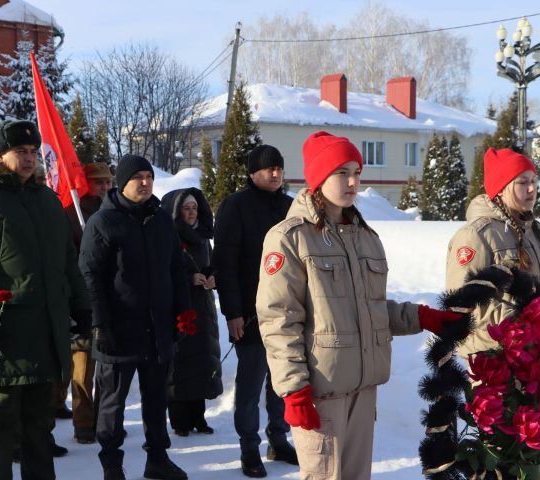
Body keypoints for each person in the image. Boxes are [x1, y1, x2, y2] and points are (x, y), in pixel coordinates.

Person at [255, 131, 461, 480]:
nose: (353, 182)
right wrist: (294, 389)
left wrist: (421, 316)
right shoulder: (290, 237)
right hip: (321, 390)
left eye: (357, 173)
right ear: (319, 177)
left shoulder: (365, 237)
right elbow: (279, 320)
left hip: (363, 389)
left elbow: (372, 308)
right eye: (342, 173)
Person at [0, 120, 92, 480]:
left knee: (40, 426)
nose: (29, 159)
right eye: (19, 152)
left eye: (31, 152)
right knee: (3, 424)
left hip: (45, 328)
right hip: (3, 329)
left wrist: (81, 304)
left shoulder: (46, 199)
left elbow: (66, 259)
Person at [79, 154, 194, 480]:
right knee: (112, 404)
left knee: (157, 399)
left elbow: (176, 268)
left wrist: (183, 312)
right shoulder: (103, 222)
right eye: (137, 177)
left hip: (158, 329)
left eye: (149, 176)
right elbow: (90, 276)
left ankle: (157, 459)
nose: (145, 183)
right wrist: (100, 323)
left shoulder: (160, 220)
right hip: (118, 329)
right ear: (122, 182)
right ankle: (112, 465)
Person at [446, 147, 540, 365]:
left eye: (534, 180)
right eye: (523, 182)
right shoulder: (477, 235)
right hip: (501, 363)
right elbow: (461, 305)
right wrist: (517, 329)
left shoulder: (536, 231)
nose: (532, 188)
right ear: (502, 187)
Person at [212, 145, 297, 478]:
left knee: (282, 381)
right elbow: (225, 264)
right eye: (267, 169)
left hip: (289, 312)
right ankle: (249, 446)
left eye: (278, 168)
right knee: (251, 384)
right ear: (252, 173)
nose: (275, 174)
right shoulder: (235, 207)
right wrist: (232, 312)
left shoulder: (291, 207)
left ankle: (278, 437)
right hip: (250, 313)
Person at [161, 188, 223, 437]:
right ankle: (179, 420)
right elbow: (165, 270)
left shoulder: (202, 236)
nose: (191, 212)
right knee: (181, 363)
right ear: (176, 211)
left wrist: (211, 278)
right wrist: (189, 278)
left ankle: (199, 417)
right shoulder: (169, 237)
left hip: (202, 305)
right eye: (186, 208)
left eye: (194, 208)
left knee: (202, 361)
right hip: (179, 306)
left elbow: (210, 265)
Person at [63, 161, 114, 444]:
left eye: (107, 182)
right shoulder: (72, 213)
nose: (104, 187)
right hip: (81, 300)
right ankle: (83, 424)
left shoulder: (115, 210)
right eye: (98, 183)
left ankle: (105, 419)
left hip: (111, 300)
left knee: (108, 370)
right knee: (81, 368)